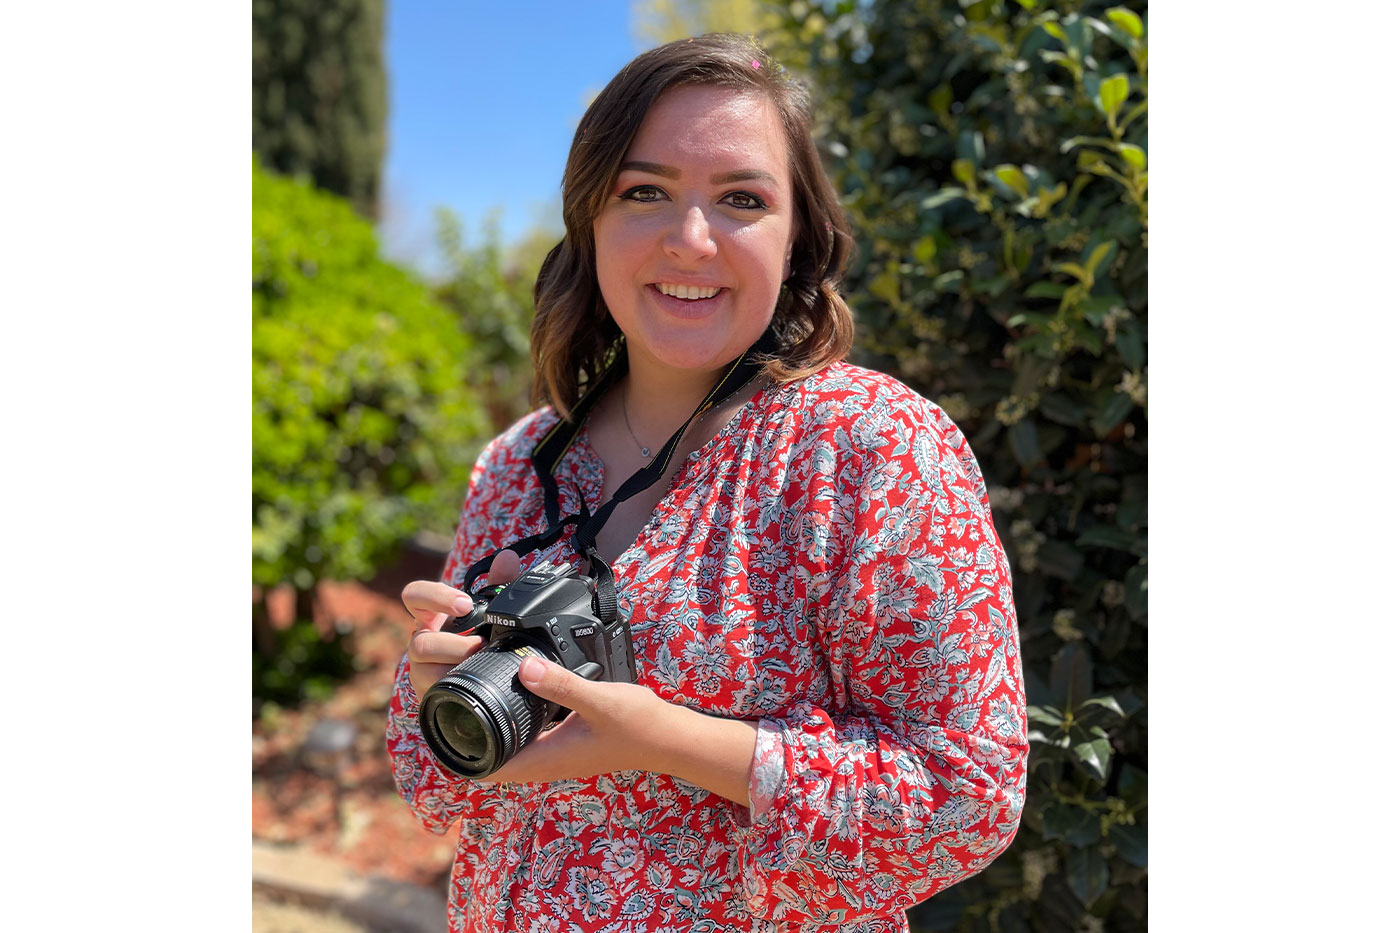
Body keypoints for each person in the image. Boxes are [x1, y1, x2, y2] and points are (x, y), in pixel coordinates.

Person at [387, 34, 1027, 933]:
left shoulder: (874, 451)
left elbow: (968, 794)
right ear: (590, 219)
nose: (691, 240)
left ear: (797, 233)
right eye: (644, 192)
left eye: (741, 199)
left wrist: (666, 741)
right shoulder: (517, 466)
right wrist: (432, 685)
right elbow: (437, 789)